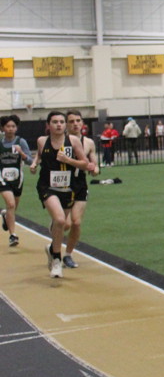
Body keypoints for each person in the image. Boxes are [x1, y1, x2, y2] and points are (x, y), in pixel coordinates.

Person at [29, 111, 94, 278]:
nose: (59, 125)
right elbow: (40, 155)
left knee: (63, 224)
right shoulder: (42, 141)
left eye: (61, 122)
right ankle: (57, 261)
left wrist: (68, 160)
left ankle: (52, 249)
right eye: (55, 122)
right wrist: (35, 164)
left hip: (67, 187)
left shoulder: (73, 141)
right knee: (59, 219)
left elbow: (85, 164)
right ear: (48, 125)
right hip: (47, 186)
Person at [64, 110, 99, 269]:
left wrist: (94, 169)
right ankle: (54, 245)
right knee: (64, 224)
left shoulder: (89, 143)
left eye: (78, 120)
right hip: (62, 185)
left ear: (83, 123)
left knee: (76, 223)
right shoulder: (60, 141)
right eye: (71, 121)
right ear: (66, 124)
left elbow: (94, 165)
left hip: (80, 185)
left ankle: (68, 254)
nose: (75, 124)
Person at [0, 115, 34, 247]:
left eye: (13, 126)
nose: (10, 129)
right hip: (2, 178)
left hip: (17, 179)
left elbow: (30, 161)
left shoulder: (21, 142)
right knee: (10, 204)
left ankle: (6, 217)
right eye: (8, 126)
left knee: (13, 207)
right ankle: (12, 235)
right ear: (3, 128)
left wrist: (22, 154)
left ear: (16, 128)